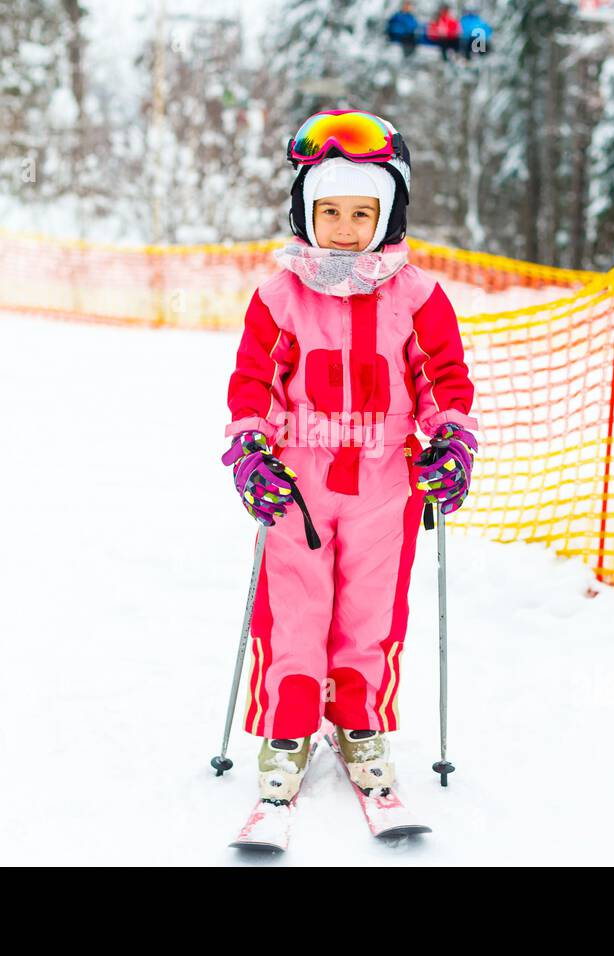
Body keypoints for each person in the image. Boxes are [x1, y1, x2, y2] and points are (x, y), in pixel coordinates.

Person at [221, 109, 479, 805]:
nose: (341, 226)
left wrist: (451, 439)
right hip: (299, 482)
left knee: (370, 611)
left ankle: (360, 721)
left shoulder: (419, 296)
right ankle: (289, 728)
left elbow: (443, 378)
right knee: (296, 609)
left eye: (359, 211)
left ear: (387, 214)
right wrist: (251, 447)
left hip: (385, 484)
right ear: (306, 212)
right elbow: (254, 382)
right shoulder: (279, 296)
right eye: (327, 210)